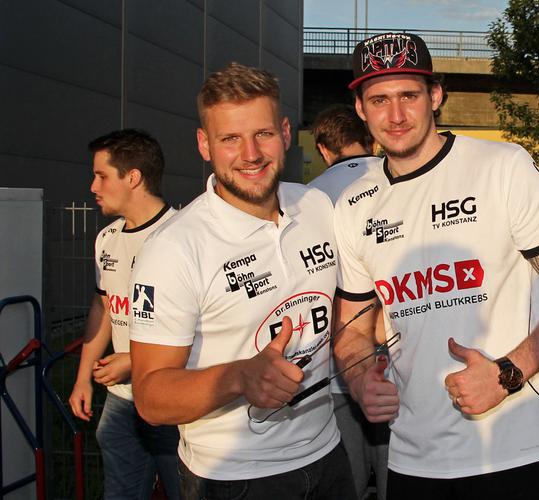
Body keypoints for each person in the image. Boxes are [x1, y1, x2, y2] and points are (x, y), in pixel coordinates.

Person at [332, 33, 539, 500]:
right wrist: (359, 381)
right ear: (360, 108)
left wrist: (507, 373)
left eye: (409, 96)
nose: (395, 115)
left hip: (516, 454)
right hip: (413, 462)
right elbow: (353, 328)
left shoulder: (502, 166)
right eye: (379, 100)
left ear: (435, 95)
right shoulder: (355, 205)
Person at [128, 62, 356, 500]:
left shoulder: (317, 207)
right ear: (204, 144)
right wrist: (238, 377)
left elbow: (347, 309)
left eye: (263, 134)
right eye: (230, 138)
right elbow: (151, 397)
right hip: (233, 478)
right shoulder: (173, 248)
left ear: (285, 133)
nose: (250, 154)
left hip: (328, 455)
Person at [68, 128, 180, 499]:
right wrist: (83, 378)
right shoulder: (107, 238)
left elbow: (206, 326)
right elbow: (103, 306)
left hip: (174, 398)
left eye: (101, 176)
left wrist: (133, 360)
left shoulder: (183, 237)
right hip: (121, 401)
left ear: (133, 177)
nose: (93, 187)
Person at [309, 104, 389, 500]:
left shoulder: (310, 198)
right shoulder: (396, 180)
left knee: (347, 485)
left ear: (324, 150)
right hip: (397, 361)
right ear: (371, 139)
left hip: (335, 369)